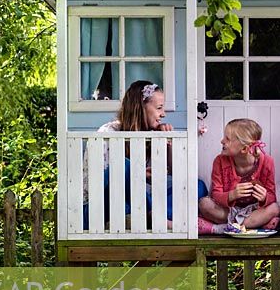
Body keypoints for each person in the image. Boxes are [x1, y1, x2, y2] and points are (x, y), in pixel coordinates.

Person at [83, 80, 207, 228]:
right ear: (141, 108)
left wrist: (167, 142)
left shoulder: (151, 134)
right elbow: (99, 184)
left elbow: (177, 176)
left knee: (197, 185)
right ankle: (155, 217)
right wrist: (137, 175)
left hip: (139, 205)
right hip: (100, 206)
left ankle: (152, 216)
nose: (163, 114)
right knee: (125, 165)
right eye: (159, 108)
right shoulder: (108, 133)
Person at [198, 118, 280, 234]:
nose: (222, 141)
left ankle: (223, 228)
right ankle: (251, 225)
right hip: (227, 210)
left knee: (275, 208)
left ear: (244, 148)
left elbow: (272, 196)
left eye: (227, 139)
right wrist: (232, 195)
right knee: (204, 204)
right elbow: (215, 194)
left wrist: (264, 197)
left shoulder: (267, 162)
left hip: (254, 211)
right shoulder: (219, 161)